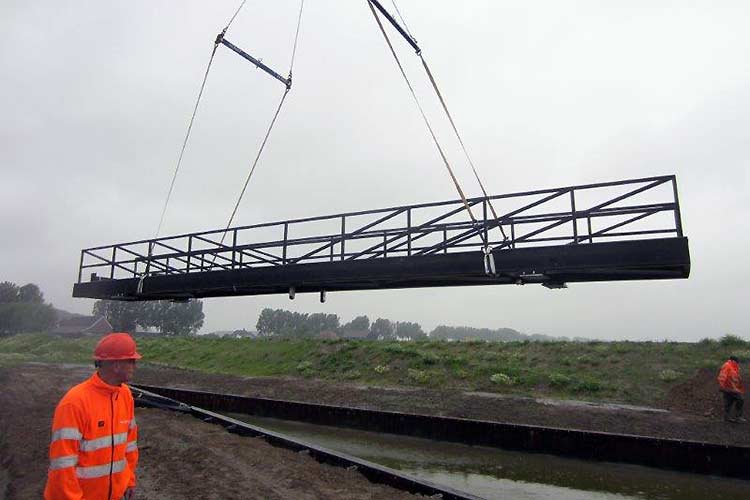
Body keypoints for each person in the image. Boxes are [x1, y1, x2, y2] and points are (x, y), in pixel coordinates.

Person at [44, 332, 141, 499]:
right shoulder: (75, 403)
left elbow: (129, 446)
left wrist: (129, 480)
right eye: (131, 361)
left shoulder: (125, 395)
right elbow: (63, 465)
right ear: (116, 365)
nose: (135, 366)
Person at [718, 355, 745, 423]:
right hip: (729, 388)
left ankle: (727, 417)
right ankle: (738, 417)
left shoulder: (734, 367)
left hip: (732, 388)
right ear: (733, 360)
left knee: (729, 402)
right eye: (736, 362)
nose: (737, 363)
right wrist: (722, 386)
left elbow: (735, 377)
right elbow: (722, 376)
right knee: (740, 399)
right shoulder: (727, 366)